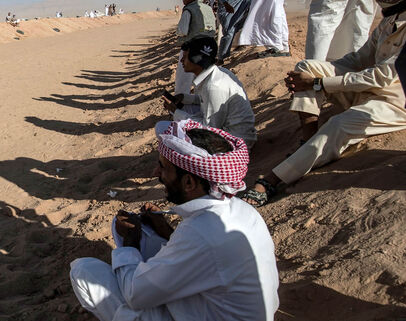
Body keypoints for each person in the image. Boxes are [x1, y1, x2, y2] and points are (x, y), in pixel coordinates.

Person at [70, 120, 278, 321]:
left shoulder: (200, 231)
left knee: (84, 270)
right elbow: (207, 259)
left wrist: (129, 243)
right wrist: (165, 230)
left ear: (189, 182)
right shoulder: (243, 210)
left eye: (163, 167)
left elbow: (135, 296)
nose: (156, 172)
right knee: (151, 237)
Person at [242, 0, 406, 206]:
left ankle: (273, 180)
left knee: (338, 125)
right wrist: (320, 74)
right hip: (366, 86)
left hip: (393, 101)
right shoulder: (389, 20)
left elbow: (381, 76)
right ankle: (307, 141)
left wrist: (320, 83)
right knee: (306, 66)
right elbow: (359, 59)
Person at [164, 37, 257, 146]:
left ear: (196, 59)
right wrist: (184, 98)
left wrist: (176, 112)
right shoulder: (217, 72)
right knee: (184, 108)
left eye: (185, 57)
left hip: (235, 143)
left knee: (163, 130)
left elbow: (210, 129)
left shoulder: (213, 86)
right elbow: (206, 100)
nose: (181, 61)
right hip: (228, 130)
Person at [174, 0, 216, 96]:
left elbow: (182, 31)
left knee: (184, 79)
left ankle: (179, 105)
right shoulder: (208, 8)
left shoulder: (189, 9)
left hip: (191, 48)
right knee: (202, 78)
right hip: (209, 47)